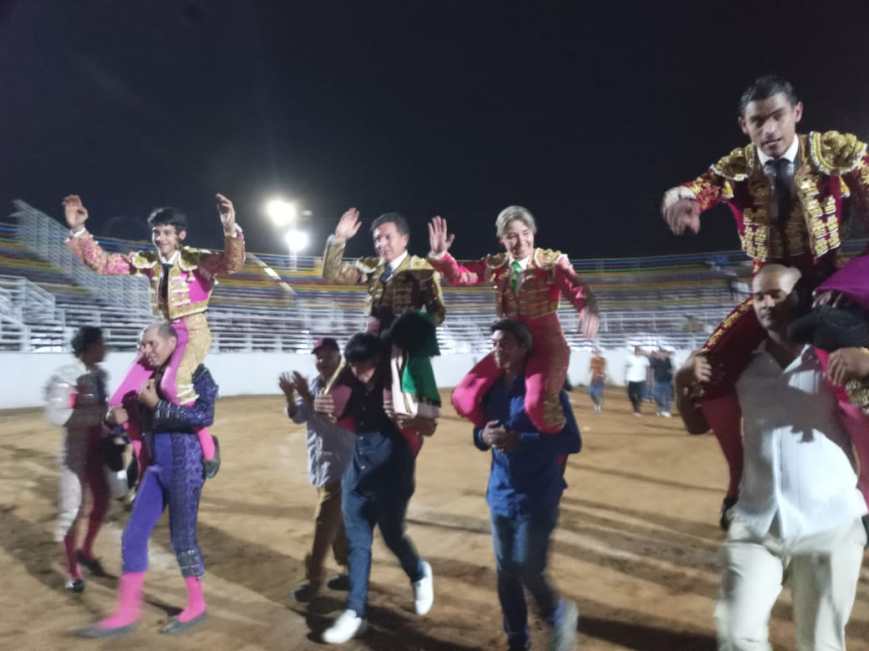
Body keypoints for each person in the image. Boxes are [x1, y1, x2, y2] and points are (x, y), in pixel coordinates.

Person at [661, 74, 869, 525]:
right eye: (758, 121)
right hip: (768, 293)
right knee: (712, 368)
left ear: (797, 113)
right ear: (744, 125)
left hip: (828, 287)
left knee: (858, 374)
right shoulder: (736, 167)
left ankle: (868, 485)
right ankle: (738, 481)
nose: (770, 130)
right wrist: (682, 201)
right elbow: (699, 188)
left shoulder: (832, 151)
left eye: (778, 117)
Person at [675, 265, 867, 649]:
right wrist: (683, 382)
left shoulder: (831, 358)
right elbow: (696, 425)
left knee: (822, 643)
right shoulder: (741, 366)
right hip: (755, 523)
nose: (764, 304)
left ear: (797, 298)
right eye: (758, 296)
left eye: (775, 295)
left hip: (830, 525)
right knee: (736, 632)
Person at [63, 193, 245, 478]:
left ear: (181, 235)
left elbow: (232, 264)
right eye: (157, 232)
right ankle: (142, 459)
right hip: (163, 333)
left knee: (173, 385)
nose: (160, 238)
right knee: (123, 397)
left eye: (167, 233)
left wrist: (229, 226)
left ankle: (209, 448)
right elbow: (104, 264)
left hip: (194, 332)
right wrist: (78, 229)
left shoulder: (197, 259)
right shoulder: (149, 261)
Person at [78, 322, 218, 638]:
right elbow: (121, 418)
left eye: (152, 343)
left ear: (172, 342)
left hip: (185, 466)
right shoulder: (145, 376)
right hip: (155, 467)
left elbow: (204, 415)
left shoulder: (196, 373)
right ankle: (126, 613)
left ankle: (197, 605)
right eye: (142, 345)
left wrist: (158, 406)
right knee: (133, 536)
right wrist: (111, 418)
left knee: (182, 539)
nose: (145, 350)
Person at [427, 207, 599, 434]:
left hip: (546, 345)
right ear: (502, 240)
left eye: (525, 233)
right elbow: (462, 275)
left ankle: (557, 446)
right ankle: (498, 432)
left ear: (533, 233)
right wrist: (441, 256)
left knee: (538, 406)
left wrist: (587, 307)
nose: (521, 241)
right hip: (509, 345)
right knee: (463, 398)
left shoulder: (551, 262)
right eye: (512, 236)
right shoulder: (497, 265)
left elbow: (574, 286)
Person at [314, 333, 436, 645]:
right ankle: (355, 612)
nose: (358, 373)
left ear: (378, 361)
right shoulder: (350, 383)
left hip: (393, 472)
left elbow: (429, 426)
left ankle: (418, 572)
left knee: (392, 535)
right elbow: (335, 414)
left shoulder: (400, 383)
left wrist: (407, 417)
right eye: (353, 366)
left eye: (364, 366)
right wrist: (325, 406)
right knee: (358, 544)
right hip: (358, 470)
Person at [472, 319, 580, 651]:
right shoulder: (491, 390)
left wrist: (523, 441)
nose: (497, 350)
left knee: (530, 569)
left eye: (504, 344)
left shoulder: (546, 389)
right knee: (506, 571)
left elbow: (571, 440)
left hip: (538, 494)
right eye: (494, 344)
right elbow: (478, 435)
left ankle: (557, 612)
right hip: (500, 493)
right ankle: (517, 637)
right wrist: (483, 436)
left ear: (523, 348)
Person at [321, 209, 445, 430]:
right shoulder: (372, 267)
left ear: (404, 239)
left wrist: (414, 327)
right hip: (371, 342)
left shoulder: (421, 269)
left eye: (388, 237)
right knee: (335, 394)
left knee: (400, 409)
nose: (381, 243)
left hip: (402, 346)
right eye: (377, 238)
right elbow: (331, 274)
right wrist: (339, 239)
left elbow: (438, 313)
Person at [279, 337, 354, 602]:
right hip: (321, 465)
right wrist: (290, 395)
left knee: (324, 523)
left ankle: (313, 579)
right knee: (338, 524)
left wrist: (304, 394)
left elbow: (329, 417)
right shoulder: (313, 383)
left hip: (343, 466)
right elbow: (298, 416)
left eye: (328, 356)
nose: (322, 361)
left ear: (339, 357)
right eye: (319, 357)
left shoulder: (346, 386)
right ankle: (350, 570)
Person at [44, 327, 110, 592]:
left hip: (97, 450)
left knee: (102, 500)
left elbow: (103, 411)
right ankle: (73, 572)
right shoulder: (65, 375)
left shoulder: (100, 375)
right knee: (72, 510)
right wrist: (100, 416)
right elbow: (57, 414)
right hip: (76, 452)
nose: (105, 348)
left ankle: (86, 551)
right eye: (101, 344)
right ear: (90, 347)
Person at [624, 346, 649, 416]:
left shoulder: (644, 359)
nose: (638, 352)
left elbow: (647, 369)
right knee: (630, 395)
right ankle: (635, 407)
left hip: (641, 379)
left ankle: (637, 410)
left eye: (639, 351)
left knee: (640, 395)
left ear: (641, 352)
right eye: (637, 351)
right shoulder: (629, 358)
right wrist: (625, 378)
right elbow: (626, 368)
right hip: (631, 379)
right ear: (634, 351)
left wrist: (647, 378)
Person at [650, 347, 674, 417]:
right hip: (658, 382)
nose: (661, 354)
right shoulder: (655, 361)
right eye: (660, 353)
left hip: (667, 382)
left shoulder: (668, 360)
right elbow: (652, 370)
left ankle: (667, 411)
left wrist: (672, 379)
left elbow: (671, 370)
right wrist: (652, 380)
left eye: (663, 353)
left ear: (665, 354)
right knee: (657, 396)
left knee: (667, 397)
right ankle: (660, 409)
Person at [588, 348, 606, 413]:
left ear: (600, 353)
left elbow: (603, 368)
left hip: (600, 378)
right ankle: (596, 404)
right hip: (593, 378)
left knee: (598, 393)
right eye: (595, 352)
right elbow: (590, 368)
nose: (597, 353)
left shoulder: (603, 360)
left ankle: (598, 407)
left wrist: (602, 375)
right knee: (591, 393)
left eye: (598, 352)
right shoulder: (592, 359)